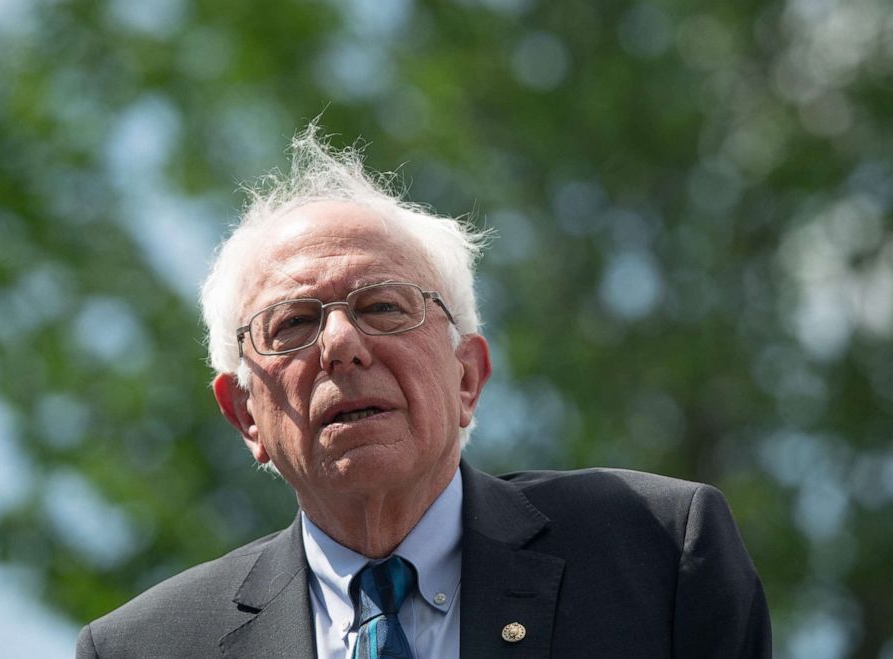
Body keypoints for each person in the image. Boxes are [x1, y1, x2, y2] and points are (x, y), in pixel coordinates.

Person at [76, 126, 771, 658]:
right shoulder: (144, 648)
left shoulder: (655, 550)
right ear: (243, 414)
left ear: (467, 375)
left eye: (383, 306)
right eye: (292, 323)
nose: (341, 344)